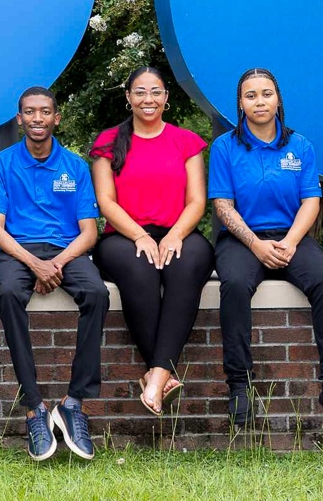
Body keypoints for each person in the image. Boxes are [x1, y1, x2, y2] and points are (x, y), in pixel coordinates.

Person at [209, 68, 323, 426]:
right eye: (250, 95)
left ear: (278, 99)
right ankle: (240, 386)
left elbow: (311, 201)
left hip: (292, 236)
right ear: (240, 104)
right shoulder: (224, 147)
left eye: (266, 93)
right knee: (235, 286)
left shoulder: (300, 146)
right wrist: (257, 245)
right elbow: (223, 206)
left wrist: (290, 242)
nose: (259, 101)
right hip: (243, 239)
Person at [0, 87, 107, 462]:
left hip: (65, 251)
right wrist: (33, 263)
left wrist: (55, 263)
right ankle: (34, 408)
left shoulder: (74, 166)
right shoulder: (2, 164)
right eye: (29, 112)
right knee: (8, 295)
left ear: (57, 118)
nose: (37, 118)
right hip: (17, 250)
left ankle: (74, 404)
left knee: (98, 294)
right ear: (19, 118)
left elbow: (89, 231)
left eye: (45, 112)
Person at [90, 67, 214, 416]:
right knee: (141, 270)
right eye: (140, 92)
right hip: (124, 235)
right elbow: (106, 202)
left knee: (187, 266)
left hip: (179, 231)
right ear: (128, 97)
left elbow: (197, 202)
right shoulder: (108, 141)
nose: (149, 99)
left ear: (166, 98)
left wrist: (174, 235)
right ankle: (163, 372)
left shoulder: (185, 141)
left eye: (156, 92)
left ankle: (156, 376)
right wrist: (140, 236)